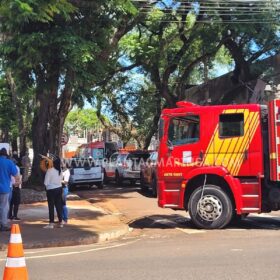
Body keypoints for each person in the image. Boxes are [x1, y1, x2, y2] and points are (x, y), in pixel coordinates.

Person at [0, 148, 19, 231]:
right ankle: (3, 224)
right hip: (5, 189)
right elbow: (16, 175)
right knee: (4, 207)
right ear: (6, 155)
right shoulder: (9, 162)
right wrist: (17, 182)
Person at [44, 157, 63, 229]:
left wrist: (47, 186)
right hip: (59, 189)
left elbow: (46, 182)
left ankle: (51, 223)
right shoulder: (60, 170)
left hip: (51, 190)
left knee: (51, 206)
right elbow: (61, 179)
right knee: (59, 205)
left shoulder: (50, 170)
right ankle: (60, 222)